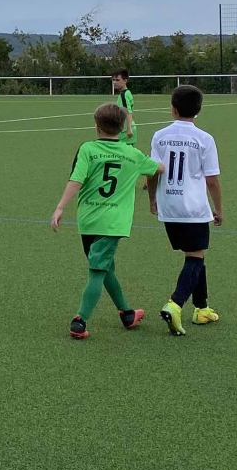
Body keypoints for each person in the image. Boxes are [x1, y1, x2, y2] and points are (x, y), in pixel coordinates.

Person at [50, 101, 163, 339]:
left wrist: (60, 208)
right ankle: (79, 321)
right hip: (113, 223)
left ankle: (127, 314)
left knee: (103, 266)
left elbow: (76, 180)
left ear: (96, 126)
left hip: (88, 219)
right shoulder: (133, 154)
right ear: (122, 127)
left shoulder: (87, 149)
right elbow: (159, 169)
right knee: (98, 269)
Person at [146, 84, 223, 335]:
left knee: (196, 254)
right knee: (195, 256)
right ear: (198, 110)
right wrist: (218, 208)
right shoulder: (204, 139)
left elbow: (153, 172)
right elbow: (212, 180)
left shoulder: (159, 136)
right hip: (193, 208)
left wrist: (152, 200)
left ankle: (202, 308)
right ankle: (175, 303)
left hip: (169, 206)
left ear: (173, 109)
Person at [111, 68, 136, 143]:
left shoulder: (124, 95)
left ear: (125, 81)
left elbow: (128, 112)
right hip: (127, 128)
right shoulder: (127, 93)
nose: (114, 82)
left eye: (117, 80)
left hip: (125, 131)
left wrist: (129, 129)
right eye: (113, 80)